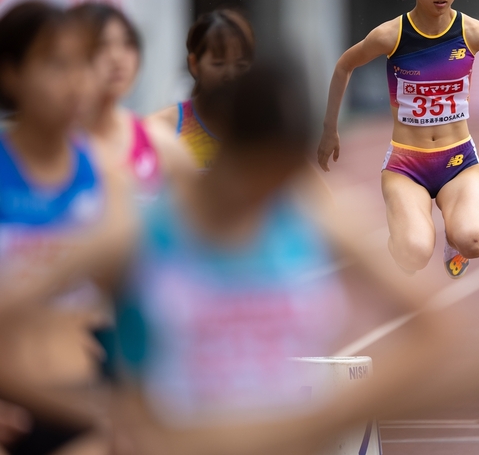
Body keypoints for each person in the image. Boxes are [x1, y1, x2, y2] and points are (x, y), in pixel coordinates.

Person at [109, 56, 454, 455]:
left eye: (288, 173)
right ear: (227, 143)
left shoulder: (311, 212)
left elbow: (435, 326)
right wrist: (105, 412)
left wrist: (333, 415)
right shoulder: (142, 233)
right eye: (263, 171)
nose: (273, 189)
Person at [316, 0, 479, 278]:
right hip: (407, 166)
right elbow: (344, 66)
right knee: (412, 255)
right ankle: (407, 230)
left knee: (474, 239)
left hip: (458, 161)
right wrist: (329, 130)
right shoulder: (391, 35)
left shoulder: (470, 31)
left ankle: (454, 240)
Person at [0, 0, 118, 455]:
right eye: (55, 63)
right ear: (11, 72)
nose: (75, 82)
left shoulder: (108, 175)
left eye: (83, 64)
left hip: (89, 404)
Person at [70, 2, 193, 199]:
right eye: (101, 45)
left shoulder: (158, 143)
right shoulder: (47, 147)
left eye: (127, 44)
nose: (117, 57)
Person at [147, 9, 254, 172]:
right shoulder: (165, 127)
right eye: (218, 64)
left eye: (241, 66)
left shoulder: (266, 130)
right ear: (194, 64)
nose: (230, 75)